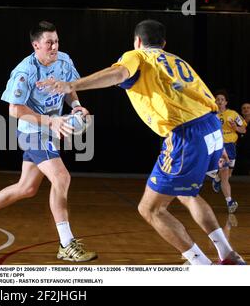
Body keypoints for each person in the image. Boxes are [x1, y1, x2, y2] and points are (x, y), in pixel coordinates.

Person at [37, 19, 246, 265]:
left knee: (150, 209)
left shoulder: (138, 56)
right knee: (188, 195)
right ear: (163, 43)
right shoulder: (175, 60)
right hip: (211, 127)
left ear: (137, 42)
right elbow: (204, 100)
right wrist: (215, 143)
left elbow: (118, 73)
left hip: (186, 135)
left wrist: (70, 85)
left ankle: (202, 267)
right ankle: (228, 255)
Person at [0, 21, 97, 262]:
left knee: (27, 188)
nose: (54, 46)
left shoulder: (64, 61)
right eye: (49, 42)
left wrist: (77, 107)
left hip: (50, 129)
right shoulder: (25, 71)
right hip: (32, 130)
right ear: (36, 45)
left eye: (56, 41)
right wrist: (50, 122)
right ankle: (66, 244)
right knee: (61, 177)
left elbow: (69, 89)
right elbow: (15, 110)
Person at [211, 91, 247, 213]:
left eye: (222, 99)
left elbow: (243, 130)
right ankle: (229, 201)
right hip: (219, 147)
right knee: (225, 175)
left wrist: (235, 128)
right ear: (215, 101)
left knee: (227, 175)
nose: (220, 101)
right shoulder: (211, 115)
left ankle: (216, 179)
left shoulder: (233, 114)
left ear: (226, 102)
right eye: (217, 99)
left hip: (231, 146)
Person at [235, 102, 250, 175]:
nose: (246, 109)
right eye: (244, 108)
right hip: (241, 153)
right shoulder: (238, 123)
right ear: (241, 111)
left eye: (248, 108)